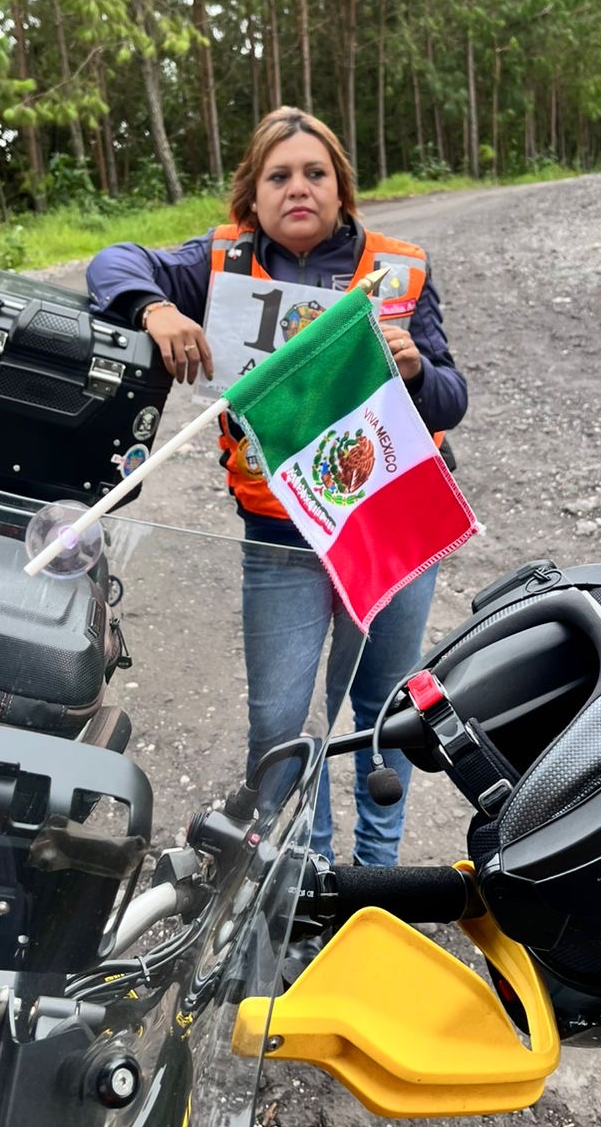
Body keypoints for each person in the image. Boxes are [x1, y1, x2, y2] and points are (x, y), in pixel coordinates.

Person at [87, 107, 467, 866]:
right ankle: (303, 877)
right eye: (279, 176)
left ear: (342, 189)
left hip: (389, 526)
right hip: (281, 536)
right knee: (282, 728)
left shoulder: (402, 270)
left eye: (316, 173)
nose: (299, 188)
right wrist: (156, 306)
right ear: (251, 198)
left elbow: (453, 399)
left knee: (382, 714)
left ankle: (377, 876)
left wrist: (418, 371)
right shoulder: (220, 261)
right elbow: (110, 264)